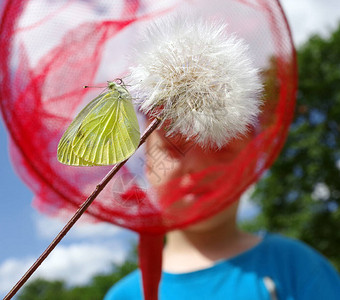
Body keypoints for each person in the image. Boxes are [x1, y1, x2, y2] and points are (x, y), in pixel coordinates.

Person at [104, 125, 340, 300]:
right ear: (147, 165)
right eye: (173, 148)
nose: (197, 166)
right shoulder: (124, 296)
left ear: (250, 165)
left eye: (222, 146)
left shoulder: (297, 268)